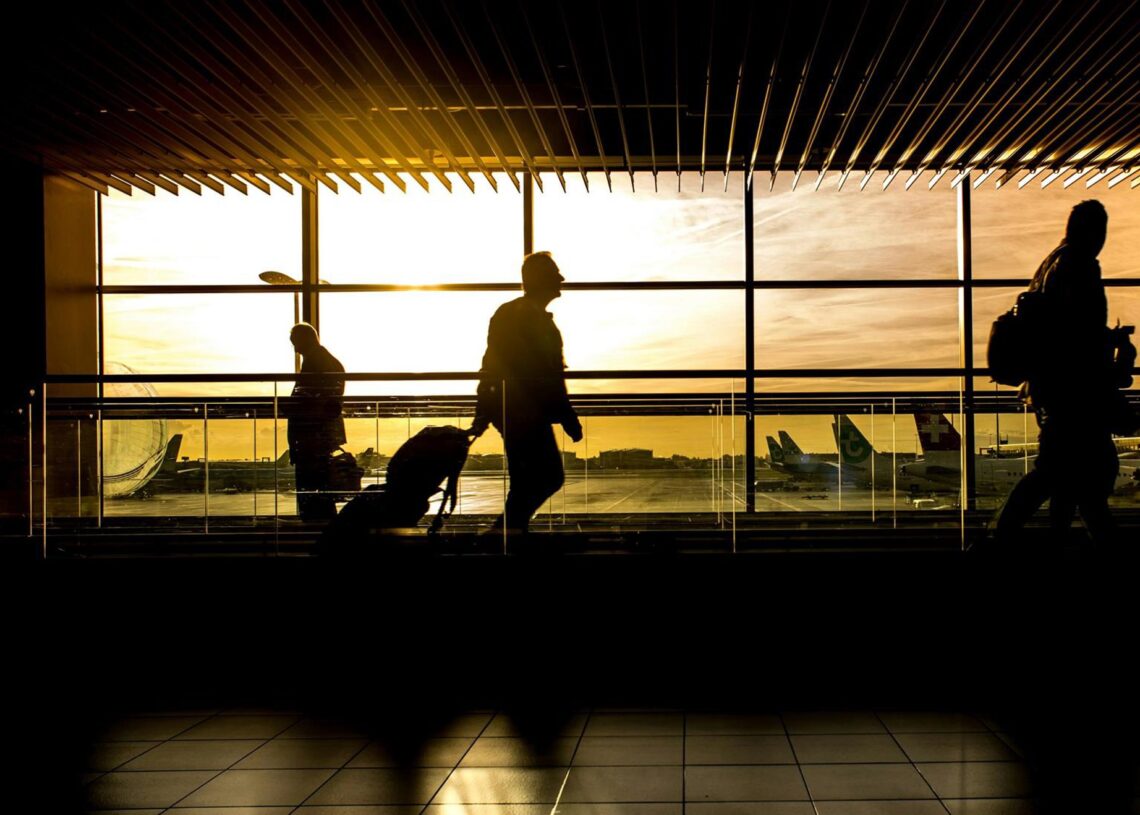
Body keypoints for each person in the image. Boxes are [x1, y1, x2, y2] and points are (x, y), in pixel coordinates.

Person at [993, 200, 1135, 549]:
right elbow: (1077, 334)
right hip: (1074, 392)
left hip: (1051, 389)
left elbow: (1062, 330)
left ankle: (1011, 538)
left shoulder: (1050, 265)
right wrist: (1113, 348)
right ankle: (1002, 538)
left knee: (1064, 475)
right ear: (1096, 231)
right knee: (1072, 475)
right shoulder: (1080, 265)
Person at [471, 251, 583, 536]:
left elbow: (493, 364)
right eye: (555, 273)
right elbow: (545, 375)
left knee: (530, 479)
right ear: (541, 279)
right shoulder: (527, 317)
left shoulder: (515, 314)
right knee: (547, 476)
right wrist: (567, 416)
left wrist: (484, 409)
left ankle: (509, 532)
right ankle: (506, 532)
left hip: (514, 408)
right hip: (522, 410)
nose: (561, 278)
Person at [284, 322, 346, 521]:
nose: (295, 348)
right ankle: (322, 532)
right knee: (320, 493)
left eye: (296, 342)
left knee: (312, 492)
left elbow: (314, 403)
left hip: (311, 438)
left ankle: (316, 532)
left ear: (306, 339)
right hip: (317, 437)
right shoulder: (326, 361)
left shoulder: (316, 363)